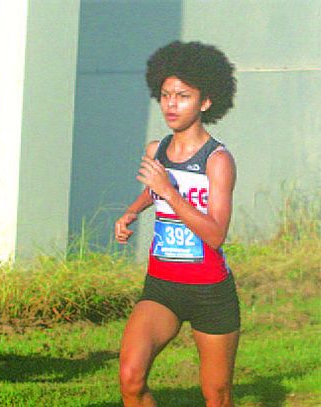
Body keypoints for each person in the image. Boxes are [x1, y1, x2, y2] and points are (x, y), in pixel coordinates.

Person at [115, 41, 240, 407]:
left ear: (205, 102)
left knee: (216, 395)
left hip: (210, 292)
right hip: (162, 287)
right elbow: (152, 191)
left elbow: (216, 234)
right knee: (130, 378)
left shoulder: (218, 160)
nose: (171, 104)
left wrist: (169, 192)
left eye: (183, 96)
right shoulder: (158, 149)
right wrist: (133, 210)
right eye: (166, 95)